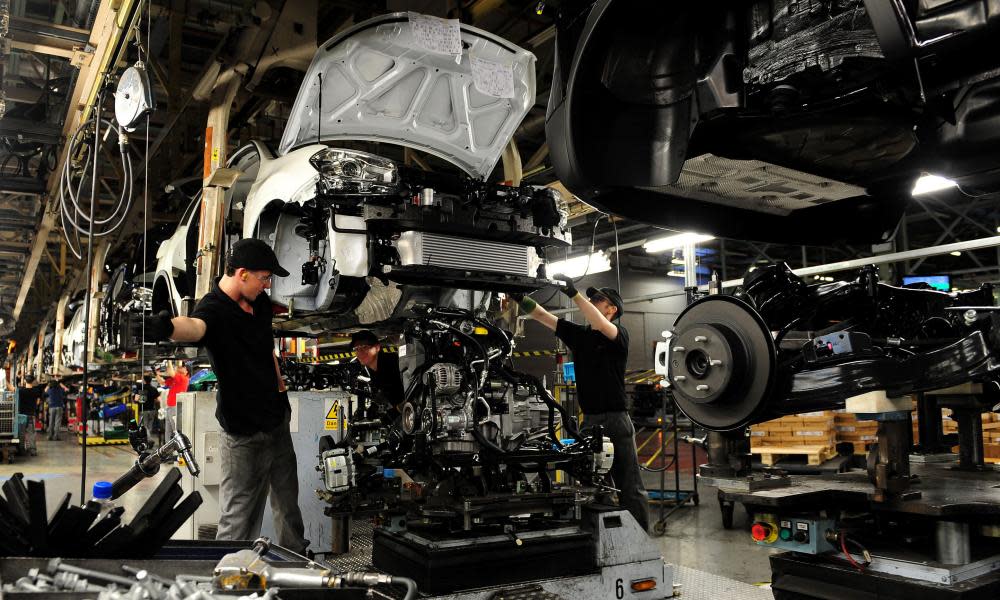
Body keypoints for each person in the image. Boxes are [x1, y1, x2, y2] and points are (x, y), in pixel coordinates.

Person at [144, 238, 307, 554]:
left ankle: (298, 567)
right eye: (264, 277)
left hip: (276, 421)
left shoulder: (258, 303)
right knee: (238, 519)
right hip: (243, 432)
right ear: (242, 273)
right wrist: (166, 327)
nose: (268, 284)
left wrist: (281, 389)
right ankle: (226, 576)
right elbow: (194, 326)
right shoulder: (214, 308)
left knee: (289, 509)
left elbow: (266, 350)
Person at [513, 277, 650, 532]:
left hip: (616, 420)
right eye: (592, 300)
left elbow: (599, 322)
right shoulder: (580, 336)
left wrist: (573, 293)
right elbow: (543, 316)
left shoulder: (618, 335)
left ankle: (643, 538)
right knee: (596, 485)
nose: (594, 303)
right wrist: (520, 298)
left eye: (600, 300)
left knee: (629, 484)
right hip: (591, 422)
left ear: (612, 310)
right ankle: (606, 537)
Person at [351, 330, 404, 414]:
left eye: (364, 347)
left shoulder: (393, 365)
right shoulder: (370, 369)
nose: (360, 352)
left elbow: (414, 395)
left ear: (377, 348)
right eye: (356, 349)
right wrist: (374, 405)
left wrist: (396, 411)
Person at [155, 360, 189, 442]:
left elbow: (170, 372)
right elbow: (162, 382)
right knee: (168, 431)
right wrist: (155, 374)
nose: (178, 368)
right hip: (170, 407)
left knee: (175, 430)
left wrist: (169, 360)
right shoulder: (175, 379)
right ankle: (168, 450)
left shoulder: (183, 378)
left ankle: (178, 451)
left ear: (186, 371)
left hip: (175, 408)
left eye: (181, 367)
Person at [15, 375, 42, 455]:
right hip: (31, 415)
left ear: (25, 381)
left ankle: (21, 450)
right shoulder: (36, 391)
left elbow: (12, 389)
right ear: (33, 381)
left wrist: (6, 381)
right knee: (31, 433)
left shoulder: (21, 390)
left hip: (22, 416)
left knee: (21, 433)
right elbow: (37, 402)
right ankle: (33, 450)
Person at [136, 373, 160, 444]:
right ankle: (147, 440)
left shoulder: (141, 388)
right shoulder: (154, 389)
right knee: (149, 427)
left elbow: (136, 399)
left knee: (145, 426)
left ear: (143, 380)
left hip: (144, 410)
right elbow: (158, 399)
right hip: (152, 410)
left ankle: (149, 440)